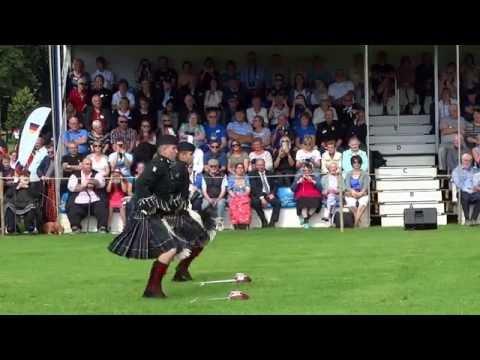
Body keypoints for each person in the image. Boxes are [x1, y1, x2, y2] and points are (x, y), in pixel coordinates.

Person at [108, 136, 215, 297]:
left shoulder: (169, 166)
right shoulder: (158, 165)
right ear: (165, 149)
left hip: (165, 212)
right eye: (174, 148)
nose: (176, 151)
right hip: (148, 214)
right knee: (172, 248)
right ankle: (154, 287)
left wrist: (173, 204)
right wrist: (152, 203)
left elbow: (167, 190)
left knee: (181, 244)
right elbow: (142, 185)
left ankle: (159, 285)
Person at [66, 158, 108, 233]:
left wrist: (90, 181)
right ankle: (75, 227)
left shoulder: (97, 174)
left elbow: (101, 184)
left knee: (102, 206)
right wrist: (83, 185)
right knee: (72, 207)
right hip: (79, 199)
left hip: (94, 199)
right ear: (82, 165)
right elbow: (72, 188)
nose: (89, 166)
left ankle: (102, 227)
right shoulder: (75, 175)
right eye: (87, 164)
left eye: (90, 164)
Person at [249, 158, 281, 228]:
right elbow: (254, 188)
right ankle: (263, 221)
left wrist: (272, 193)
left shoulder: (270, 173)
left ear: (264, 165)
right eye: (258, 165)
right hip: (259, 193)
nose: (260, 167)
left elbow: (275, 185)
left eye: (262, 165)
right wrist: (262, 198)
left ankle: (272, 222)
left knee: (277, 202)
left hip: (269, 193)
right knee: (255, 202)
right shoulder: (252, 174)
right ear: (256, 166)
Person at [291, 161, 322, 229]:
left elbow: (320, 188)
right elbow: (292, 188)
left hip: (314, 194)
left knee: (316, 204)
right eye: (305, 170)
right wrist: (298, 182)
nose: (307, 172)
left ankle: (305, 220)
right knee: (303, 203)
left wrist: (313, 181)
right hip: (302, 194)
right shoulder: (298, 177)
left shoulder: (315, 177)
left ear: (311, 171)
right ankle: (306, 222)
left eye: (308, 170)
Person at [452, 153, 480, 225]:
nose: (467, 162)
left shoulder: (476, 170)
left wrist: (478, 188)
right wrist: (469, 189)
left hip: (475, 191)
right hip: (463, 191)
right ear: (462, 160)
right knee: (465, 196)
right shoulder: (457, 171)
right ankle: (467, 219)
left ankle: (473, 218)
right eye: (465, 160)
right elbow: (458, 184)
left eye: (469, 160)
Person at [438, 104, 467, 173]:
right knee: (441, 150)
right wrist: (457, 129)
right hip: (446, 143)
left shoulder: (461, 119)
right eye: (451, 111)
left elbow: (462, 131)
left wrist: (450, 128)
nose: (453, 112)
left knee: (463, 149)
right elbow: (444, 131)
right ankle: (443, 170)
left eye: (455, 110)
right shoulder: (444, 119)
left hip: (459, 142)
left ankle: (464, 169)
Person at [201, 158, 228, 229]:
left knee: (221, 203)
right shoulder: (204, 176)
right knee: (203, 205)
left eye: (215, 166)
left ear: (218, 166)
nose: (213, 168)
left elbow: (223, 189)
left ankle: (219, 223)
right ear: (208, 167)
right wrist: (209, 199)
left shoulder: (223, 175)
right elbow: (204, 190)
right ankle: (203, 223)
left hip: (220, 197)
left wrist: (218, 199)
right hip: (208, 197)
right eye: (211, 166)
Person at [344, 155, 370, 227]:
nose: (356, 164)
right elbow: (347, 185)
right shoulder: (349, 173)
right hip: (351, 193)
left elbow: (365, 186)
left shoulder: (365, 174)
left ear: (360, 163)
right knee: (352, 206)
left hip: (362, 193)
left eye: (358, 162)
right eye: (354, 162)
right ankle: (358, 221)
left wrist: (360, 193)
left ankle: (355, 224)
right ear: (352, 164)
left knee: (362, 205)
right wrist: (353, 192)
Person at [37, 144, 57, 223]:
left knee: (53, 203)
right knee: (45, 204)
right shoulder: (46, 158)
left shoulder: (59, 160)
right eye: (48, 152)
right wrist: (42, 176)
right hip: (45, 184)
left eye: (52, 152)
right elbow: (38, 169)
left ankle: (54, 220)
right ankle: (45, 221)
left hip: (55, 185)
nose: (50, 154)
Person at [227, 163, 251, 229]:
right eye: (238, 168)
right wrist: (235, 196)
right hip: (234, 196)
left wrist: (243, 195)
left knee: (244, 204)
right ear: (235, 169)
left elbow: (248, 188)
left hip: (244, 196)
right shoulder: (231, 177)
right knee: (234, 204)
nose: (240, 169)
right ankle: (235, 224)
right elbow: (229, 189)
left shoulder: (246, 177)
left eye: (241, 168)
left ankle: (244, 224)